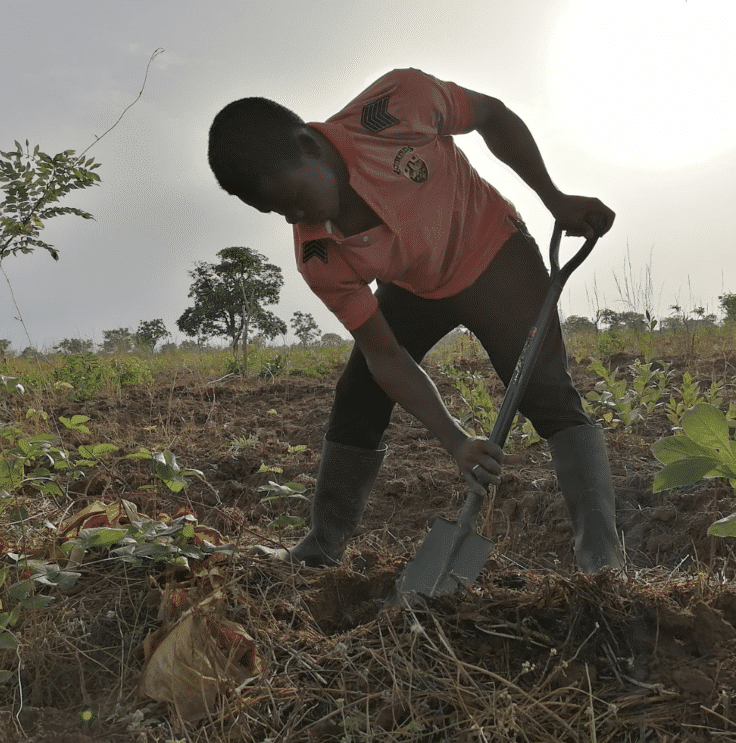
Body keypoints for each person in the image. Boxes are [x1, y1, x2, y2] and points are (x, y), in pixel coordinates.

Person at [207, 68, 623, 573]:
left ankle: (602, 561)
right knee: (359, 392)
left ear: (307, 145)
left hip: (496, 256)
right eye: (277, 212)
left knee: (548, 395)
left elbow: (492, 115)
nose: (295, 218)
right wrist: (455, 441)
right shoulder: (320, 256)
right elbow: (385, 356)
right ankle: (319, 550)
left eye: (292, 199)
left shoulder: (399, 104)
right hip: (414, 287)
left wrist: (554, 198)